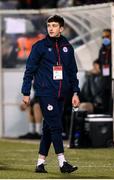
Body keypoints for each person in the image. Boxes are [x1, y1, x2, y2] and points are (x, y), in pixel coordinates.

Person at [21, 15, 80, 173]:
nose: (51, 28)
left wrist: (75, 92)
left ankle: (40, 164)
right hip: (45, 92)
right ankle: (62, 163)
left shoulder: (68, 47)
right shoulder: (39, 46)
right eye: (49, 25)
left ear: (61, 28)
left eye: (54, 25)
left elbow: (73, 72)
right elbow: (29, 70)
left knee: (48, 127)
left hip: (62, 94)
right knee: (56, 126)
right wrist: (26, 92)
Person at [98, 29, 114, 114]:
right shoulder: (102, 49)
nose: (105, 39)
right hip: (105, 78)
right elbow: (100, 61)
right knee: (105, 98)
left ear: (112, 37)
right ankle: (106, 116)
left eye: (107, 36)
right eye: (103, 37)